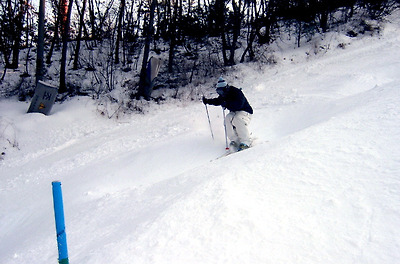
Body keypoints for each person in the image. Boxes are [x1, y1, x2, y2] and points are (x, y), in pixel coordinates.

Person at [203, 77, 253, 151]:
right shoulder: (224, 95)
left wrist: (227, 104)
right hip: (234, 112)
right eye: (218, 92)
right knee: (227, 119)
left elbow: (239, 104)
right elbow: (218, 101)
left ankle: (246, 141)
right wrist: (207, 101)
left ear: (225, 88)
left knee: (237, 119)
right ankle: (235, 140)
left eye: (221, 91)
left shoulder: (236, 92)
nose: (220, 93)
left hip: (245, 111)